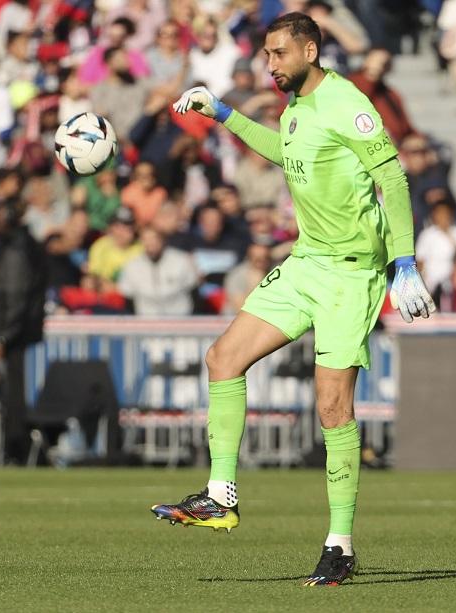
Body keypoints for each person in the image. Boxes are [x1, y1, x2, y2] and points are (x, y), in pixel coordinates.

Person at [151, 12, 434, 587]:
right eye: (266, 54)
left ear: (311, 49)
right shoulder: (296, 107)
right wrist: (223, 114)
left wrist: (404, 263)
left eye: (279, 53)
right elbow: (286, 154)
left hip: (353, 276)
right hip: (307, 263)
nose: (270, 63)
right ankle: (219, 496)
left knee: (332, 409)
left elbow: (395, 180)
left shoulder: (347, 102)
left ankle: (340, 544)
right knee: (222, 359)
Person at [0, 198, 47, 464]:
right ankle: (15, 446)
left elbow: (13, 294)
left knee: (12, 393)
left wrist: (2, 335)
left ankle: (15, 447)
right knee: (13, 391)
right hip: (18, 329)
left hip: (12, 332)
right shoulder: (22, 245)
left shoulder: (15, 249)